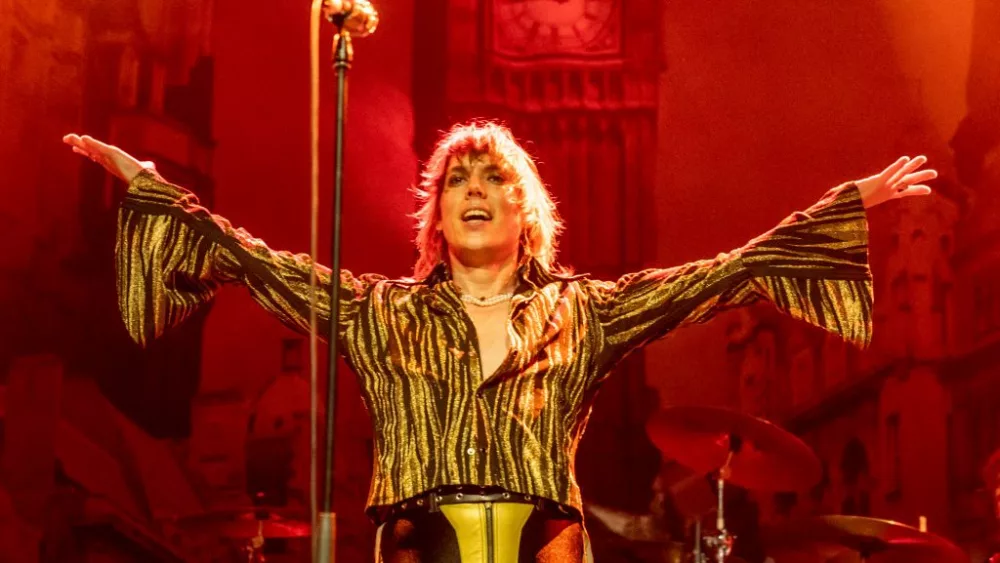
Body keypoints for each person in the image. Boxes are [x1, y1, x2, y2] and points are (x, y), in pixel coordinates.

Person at [63, 119, 935, 562]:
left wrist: (842, 205)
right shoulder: (381, 311)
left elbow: (724, 273)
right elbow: (249, 259)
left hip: (545, 547)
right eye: (456, 180)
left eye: (495, 177)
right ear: (438, 216)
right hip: (418, 543)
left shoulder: (586, 311)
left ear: (528, 210)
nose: (473, 187)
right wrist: (152, 188)